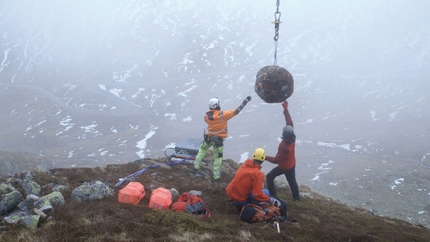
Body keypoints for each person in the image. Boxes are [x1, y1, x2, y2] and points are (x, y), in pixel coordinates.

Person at [194, 96, 251, 180]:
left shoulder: (206, 115)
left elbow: (206, 120)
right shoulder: (223, 115)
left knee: (202, 150)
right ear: (217, 105)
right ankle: (216, 176)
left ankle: (196, 165)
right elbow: (237, 111)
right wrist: (245, 101)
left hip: (208, 138)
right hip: (218, 141)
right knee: (218, 157)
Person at [226, 148, 286, 219]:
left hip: (230, 193)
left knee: (261, 193)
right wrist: (270, 200)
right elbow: (258, 195)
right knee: (266, 192)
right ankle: (246, 206)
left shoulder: (245, 165)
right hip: (241, 199)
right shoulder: (258, 174)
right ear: (263, 159)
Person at [265, 100, 300, 201]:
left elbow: (277, 160)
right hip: (292, 164)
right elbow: (289, 122)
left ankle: (273, 196)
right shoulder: (293, 137)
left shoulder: (284, 146)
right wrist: (285, 109)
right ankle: (296, 199)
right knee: (292, 182)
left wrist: (265, 157)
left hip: (284, 167)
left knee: (269, 177)